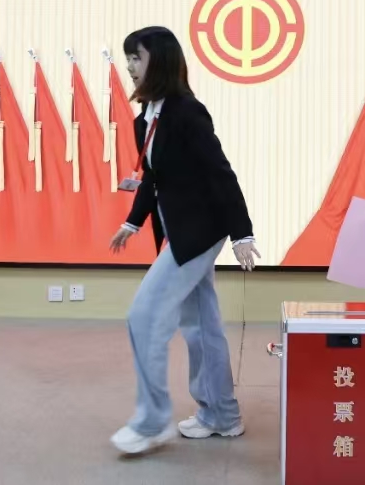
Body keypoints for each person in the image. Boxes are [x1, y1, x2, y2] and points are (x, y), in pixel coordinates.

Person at [107, 26, 260, 456]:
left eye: (136, 57)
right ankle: (221, 414)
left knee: (144, 316)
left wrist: (242, 233)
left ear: (160, 61)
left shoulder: (188, 113)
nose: (129, 66)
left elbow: (220, 173)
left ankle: (152, 421)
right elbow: (153, 177)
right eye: (128, 57)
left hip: (199, 232)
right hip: (178, 229)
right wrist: (133, 222)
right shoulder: (145, 117)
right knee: (201, 324)